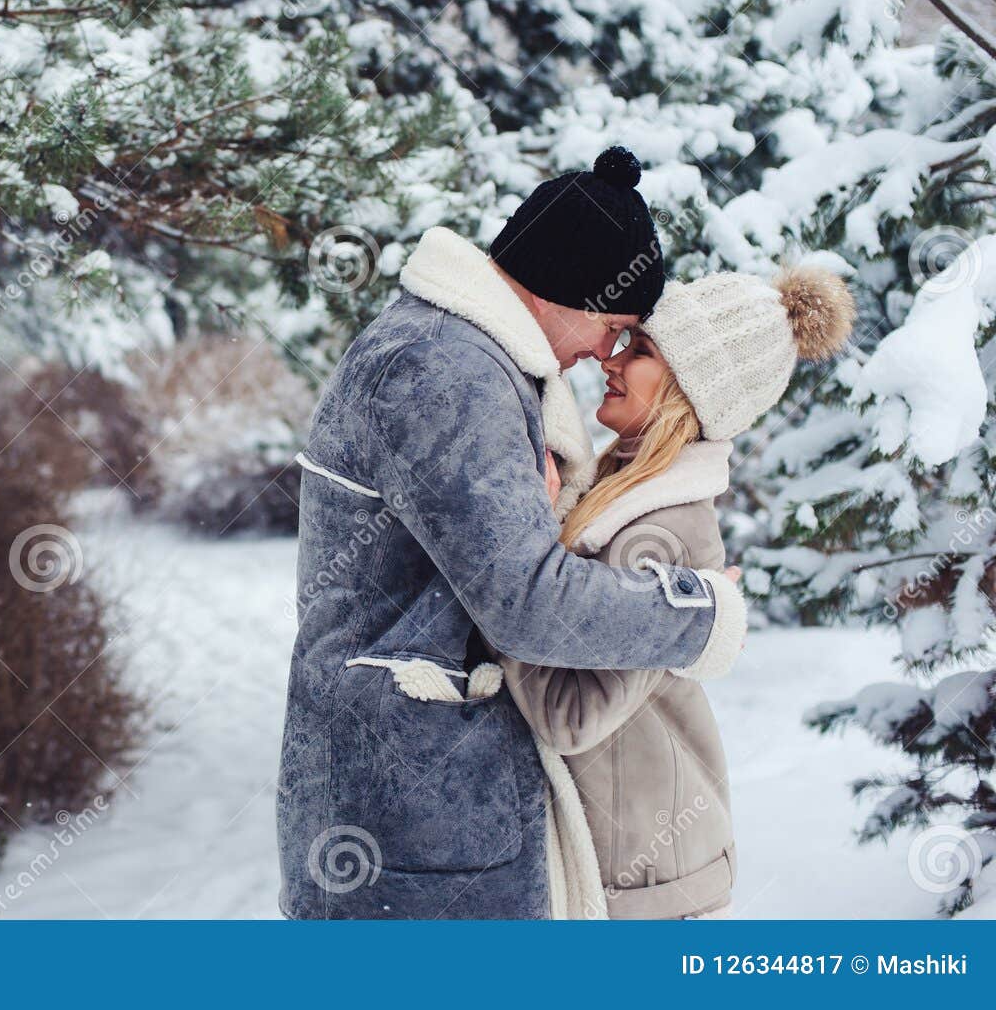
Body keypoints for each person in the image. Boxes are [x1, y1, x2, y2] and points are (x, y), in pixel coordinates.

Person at [278, 145, 748, 919]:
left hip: (413, 805)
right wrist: (698, 614)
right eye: (616, 325)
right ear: (568, 285)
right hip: (415, 818)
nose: (607, 352)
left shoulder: (451, 353)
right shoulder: (446, 372)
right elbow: (526, 599)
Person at [497, 264, 856, 919]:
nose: (611, 356)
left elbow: (567, 715)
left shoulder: (654, 536)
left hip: (648, 884)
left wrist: (513, 560)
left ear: (690, 392)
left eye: (640, 351)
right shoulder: (623, 493)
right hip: (643, 867)